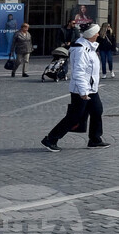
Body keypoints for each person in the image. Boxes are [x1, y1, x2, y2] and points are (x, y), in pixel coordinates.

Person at [41, 23, 111, 152]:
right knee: (74, 117)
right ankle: (51, 139)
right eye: (96, 32)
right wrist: (83, 92)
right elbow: (78, 72)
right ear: (91, 35)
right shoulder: (81, 50)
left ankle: (95, 139)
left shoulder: (90, 47)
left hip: (91, 88)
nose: (98, 34)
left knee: (97, 111)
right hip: (81, 89)